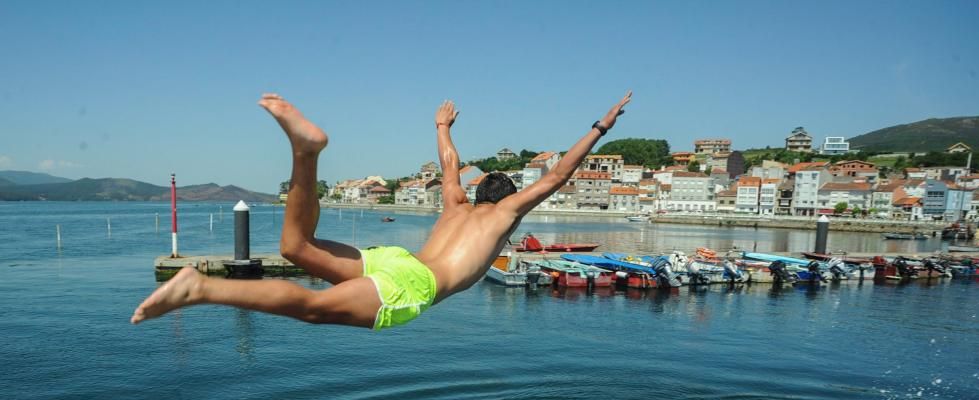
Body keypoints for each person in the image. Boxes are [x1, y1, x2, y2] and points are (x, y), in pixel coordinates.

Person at [131, 91, 632, 329]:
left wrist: (442, 126)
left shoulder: (457, 203)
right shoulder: (504, 217)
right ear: (507, 203)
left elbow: (450, 163)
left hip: (396, 260)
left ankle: (306, 153)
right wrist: (600, 126)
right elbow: (557, 175)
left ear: (480, 193)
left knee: (294, 247)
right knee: (312, 310)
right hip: (413, 285)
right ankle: (201, 288)